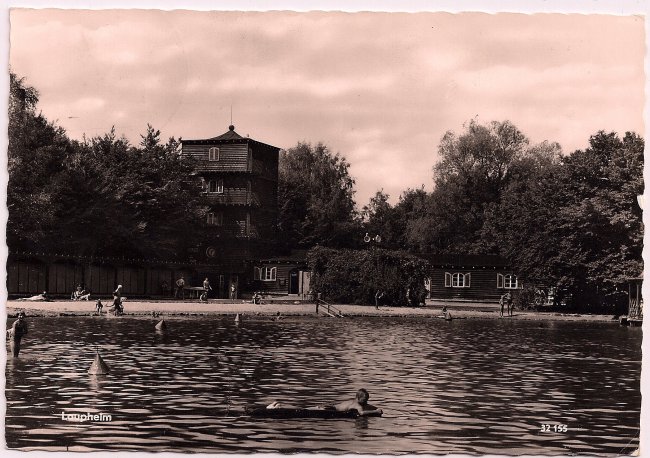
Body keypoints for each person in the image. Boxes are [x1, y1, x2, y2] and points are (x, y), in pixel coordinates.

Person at [267, 388, 381, 416]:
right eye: (365, 400)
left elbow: (366, 405)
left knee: (304, 408)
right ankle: (279, 406)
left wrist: (373, 407)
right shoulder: (356, 405)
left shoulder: (353, 401)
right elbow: (361, 413)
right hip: (328, 409)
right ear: (360, 398)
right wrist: (376, 411)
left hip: (328, 406)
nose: (367, 402)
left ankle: (279, 405)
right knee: (303, 410)